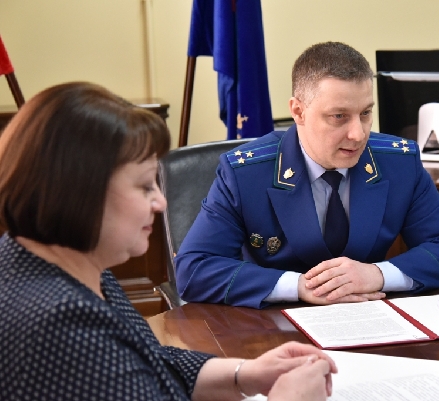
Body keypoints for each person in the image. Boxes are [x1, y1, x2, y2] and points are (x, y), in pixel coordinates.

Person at [0, 82, 336, 401]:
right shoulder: (58, 323)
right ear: (80, 192)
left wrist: (244, 373)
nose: (161, 203)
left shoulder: (70, 264)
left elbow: (148, 360)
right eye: (145, 186)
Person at [175, 41, 439, 309]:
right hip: (273, 330)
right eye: (339, 116)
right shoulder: (246, 173)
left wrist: (377, 274)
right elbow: (193, 269)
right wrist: (298, 286)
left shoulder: (398, 163)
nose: (358, 134)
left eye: (365, 113)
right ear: (298, 112)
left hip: (369, 319)